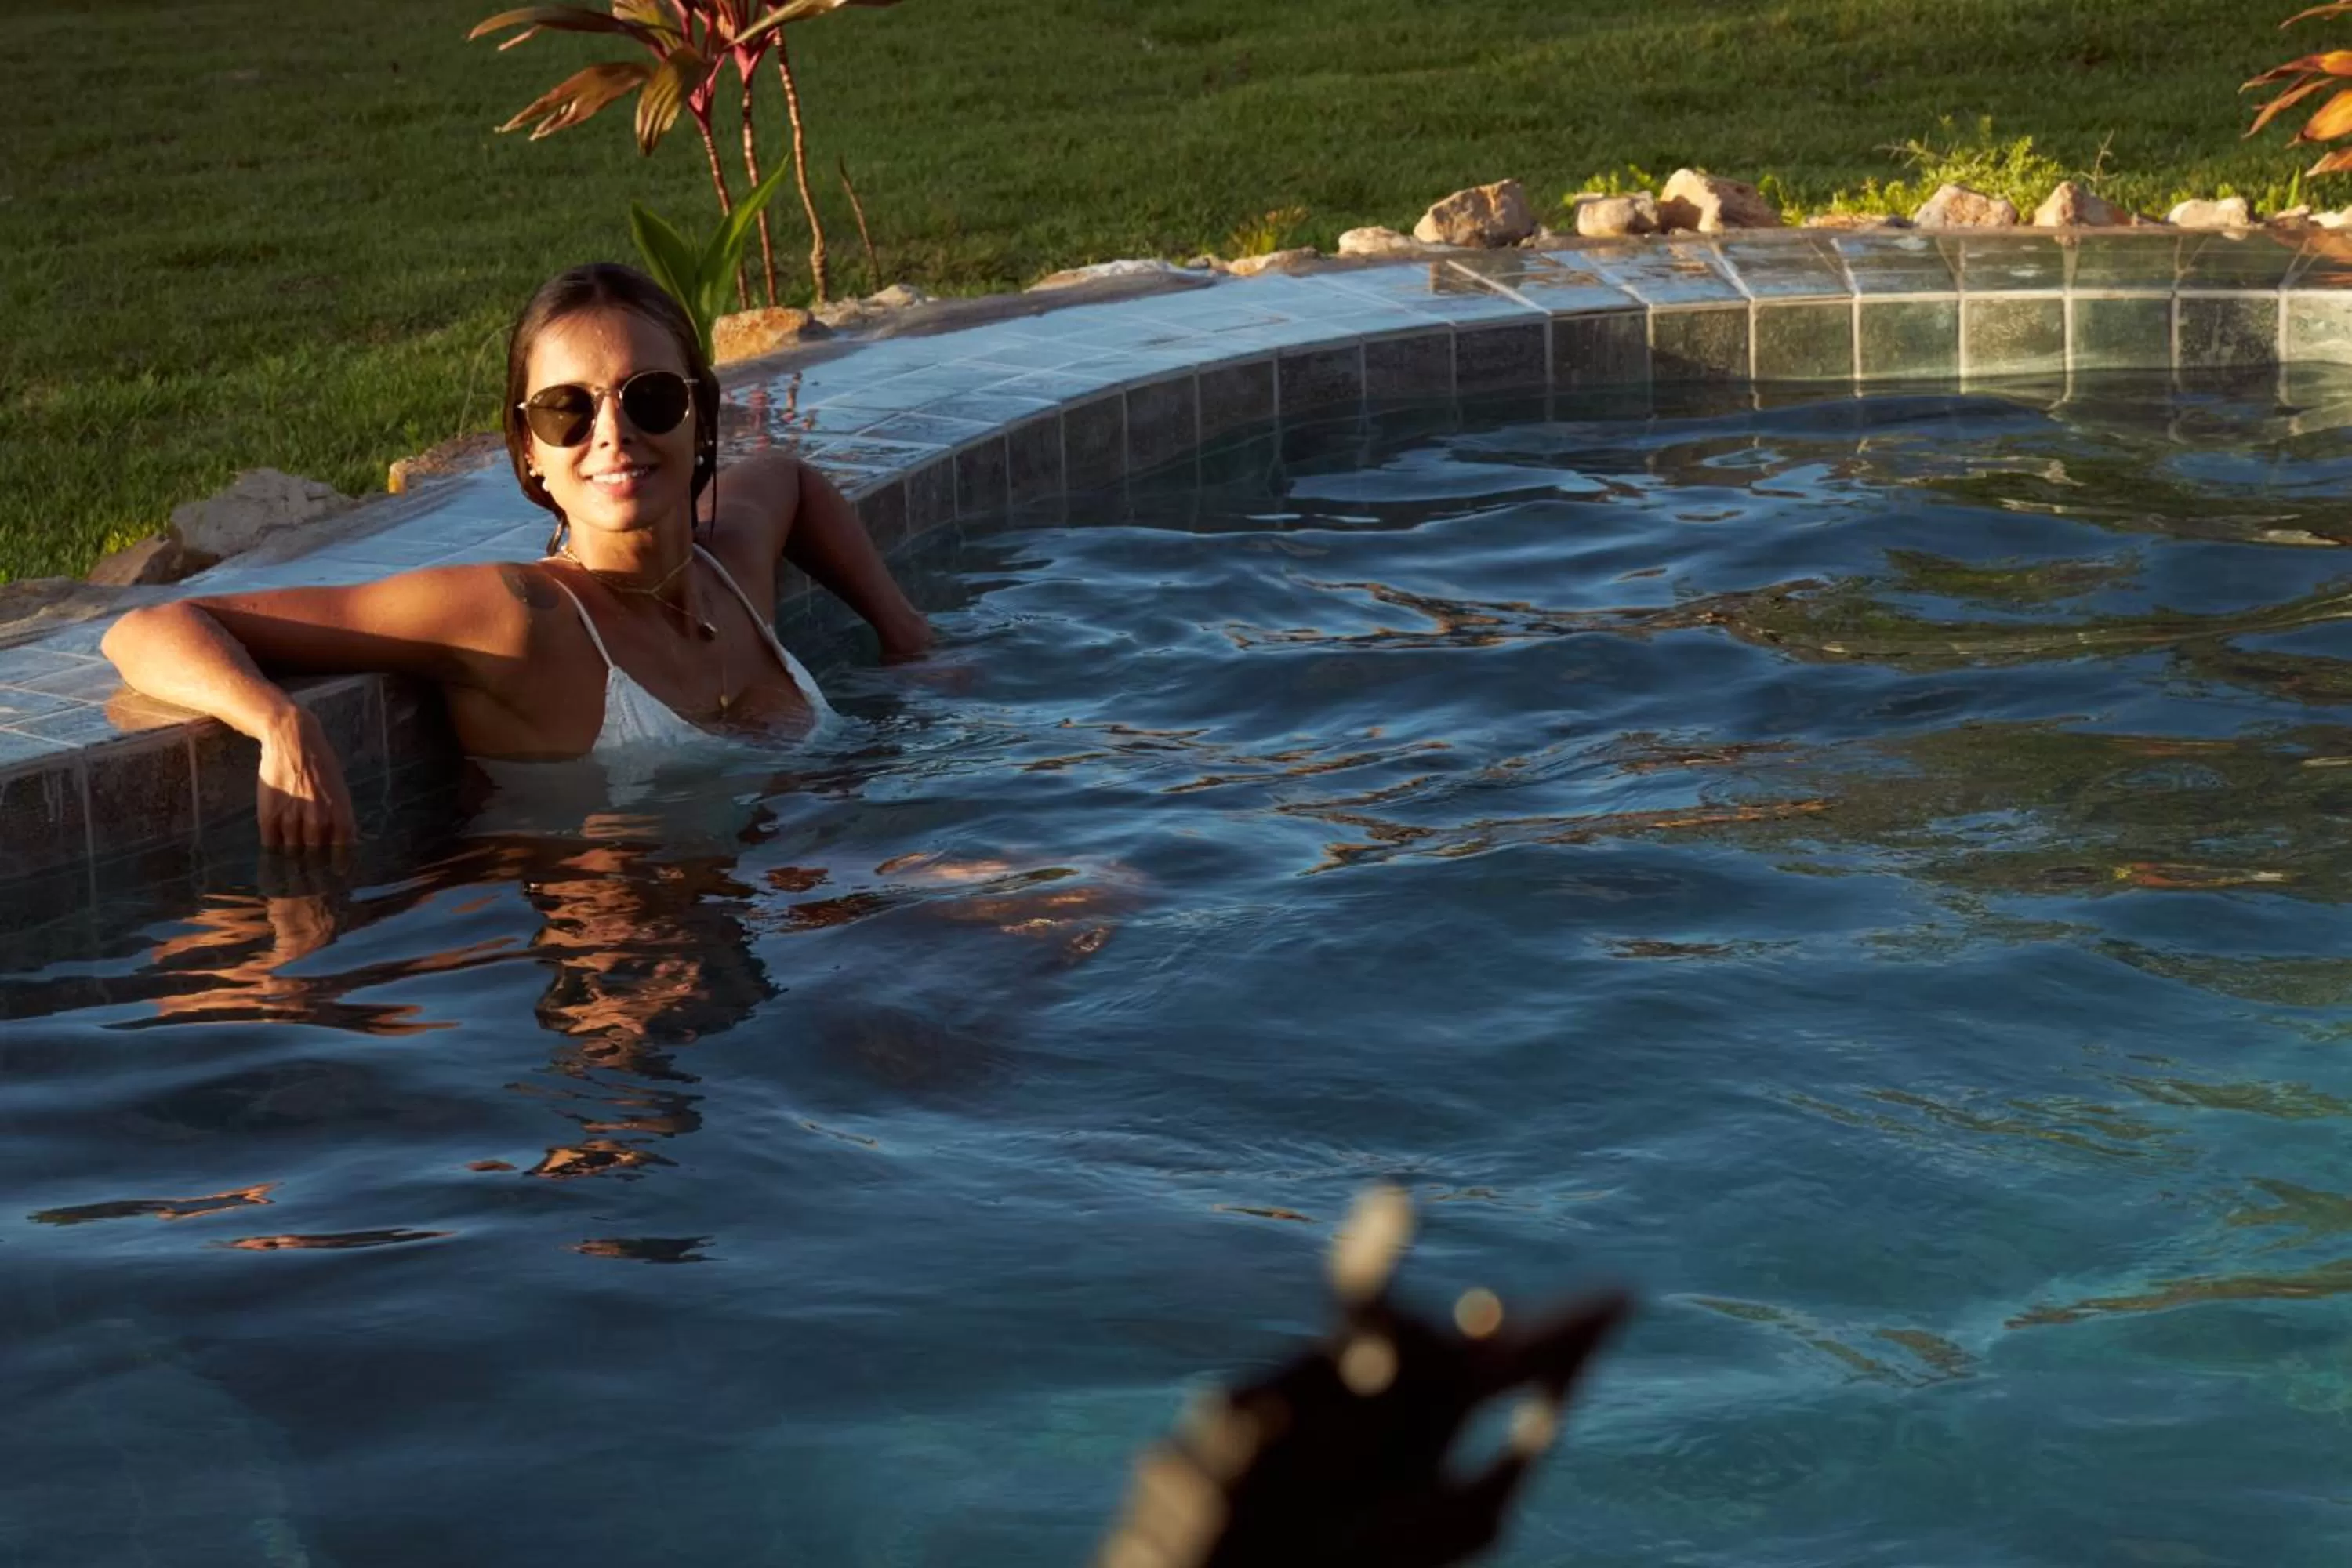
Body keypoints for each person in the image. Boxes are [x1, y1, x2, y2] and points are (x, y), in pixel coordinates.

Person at [102, 262, 931, 849]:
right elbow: (150, 626)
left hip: (800, 909)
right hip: (631, 977)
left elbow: (787, 478)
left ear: (699, 417)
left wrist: (910, 639)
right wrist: (278, 723)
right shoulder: (517, 619)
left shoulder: (731, 570)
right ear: (528, 449)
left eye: (649, 397)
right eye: (567, 410)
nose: (613, 433)